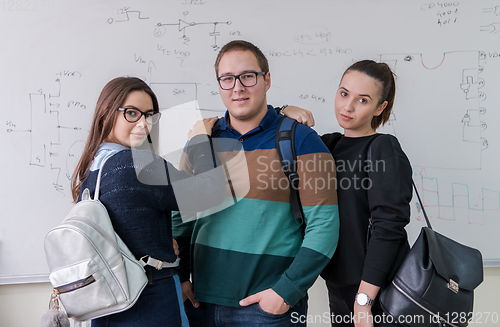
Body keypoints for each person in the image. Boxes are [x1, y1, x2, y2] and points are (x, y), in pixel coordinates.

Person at [172, 40, 340, 327]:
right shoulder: (202, 140)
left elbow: (324, 226)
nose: (237, 87)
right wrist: (181, 277)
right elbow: (181, 220)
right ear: (220, 84)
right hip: (200, 304)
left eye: (248, 76)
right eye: (227, 79)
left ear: (267, 79)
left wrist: (285, 293)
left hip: (269, 310)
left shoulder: (301, 140)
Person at [71, 76, 224, 327]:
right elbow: (207, 193)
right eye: (131, 113)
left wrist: (161, 243)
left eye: (150, 115)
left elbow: (126, 228)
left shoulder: (91, 170)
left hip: (107, 303)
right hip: (149, 298)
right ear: (106, 113)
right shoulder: (138, 163)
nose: (143, 123)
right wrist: (199, 140)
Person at [282, 60, 413, 327]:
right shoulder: (328, 145)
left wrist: (364, 299)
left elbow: (389, 225)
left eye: (362, 100)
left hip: (379, 291)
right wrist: (284, 110)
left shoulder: (383, 148)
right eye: (344, 94)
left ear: (380, 107)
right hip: (339, 287)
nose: (348, 107)